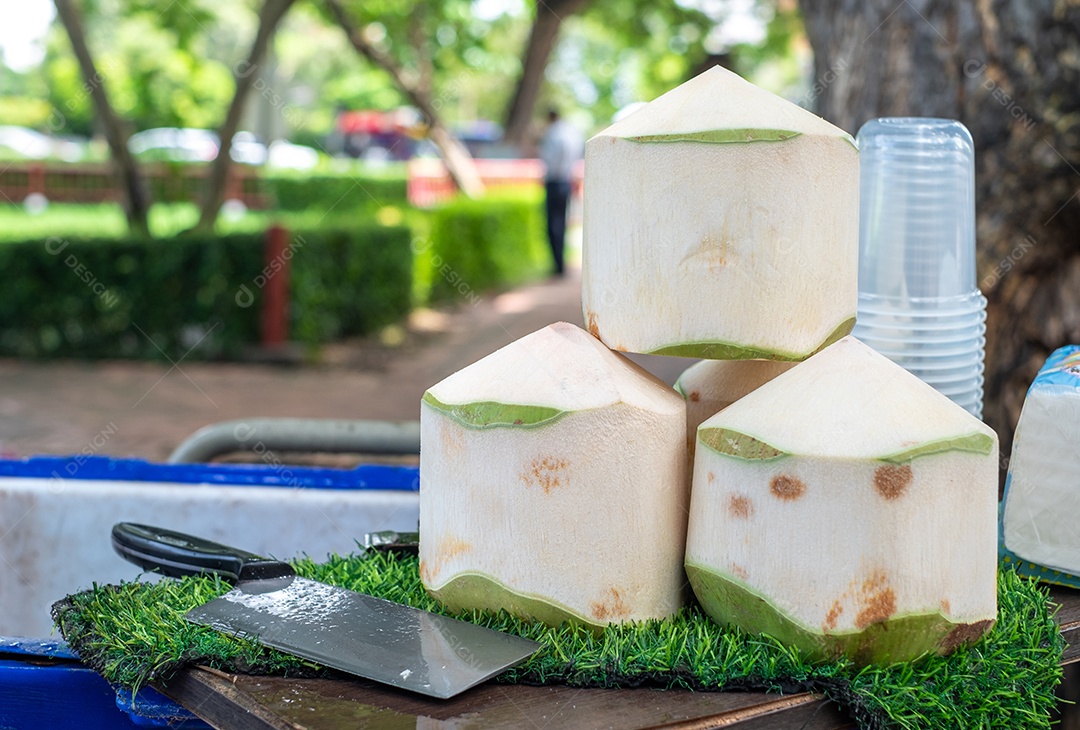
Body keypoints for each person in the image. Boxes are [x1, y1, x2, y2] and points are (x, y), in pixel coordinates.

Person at [538, 109, 583, 277]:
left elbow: (550, 159)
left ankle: (558, 265)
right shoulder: (571, 132)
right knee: (562, 223)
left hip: (555, 180)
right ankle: (560, 263)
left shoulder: (553, 133)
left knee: (553, 224)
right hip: (566, 181)